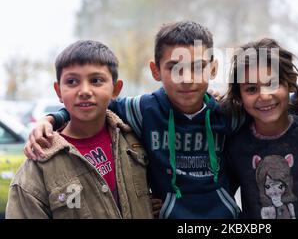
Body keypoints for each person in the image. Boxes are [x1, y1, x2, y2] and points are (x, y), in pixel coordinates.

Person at [24, 21, 241, 219]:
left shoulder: (228, 113)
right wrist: (51, 119)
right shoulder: (142, 110)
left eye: (198, 67)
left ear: (213, 69)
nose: (186, 78)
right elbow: (94, 103)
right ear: (155, 71)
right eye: (174, 67)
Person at [6, 40, 154, 218]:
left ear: (116, 89)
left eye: (96, 80)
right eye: (72, 81)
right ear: (58, 91)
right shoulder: (37, 168)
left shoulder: (134, 138)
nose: (84, 90)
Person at [222, 38, 298, 219]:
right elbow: (216, 195)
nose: (264, 95)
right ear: (239, 96)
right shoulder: (236, 146)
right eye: (252, 89)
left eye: (272, 84)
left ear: (290, 82)